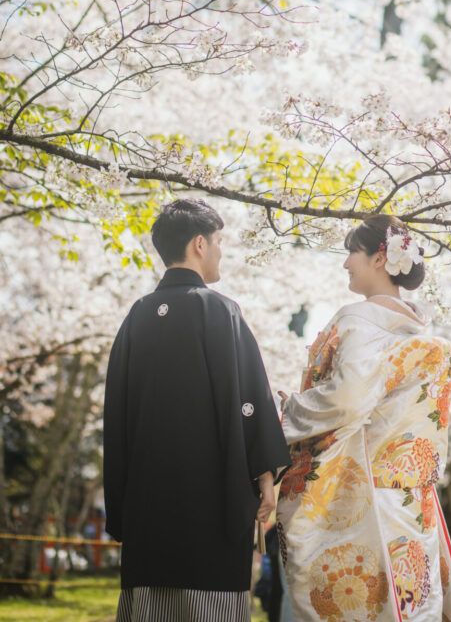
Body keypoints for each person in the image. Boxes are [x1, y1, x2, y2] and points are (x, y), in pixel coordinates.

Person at [276, 215, 451, 622]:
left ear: (380, 259)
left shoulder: (358, 320)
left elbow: (346, 400)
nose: (346, 262)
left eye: (352, 252)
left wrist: (292, 410)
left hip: (365, 493)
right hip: (410, 492)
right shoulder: (421, 334)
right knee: (410, 601)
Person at [104, 198, 290, 622]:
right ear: (200, 244)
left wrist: (121, 508)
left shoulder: (136, 318)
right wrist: (264, 475)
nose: (222, 251)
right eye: (219, 241)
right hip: (210, 507)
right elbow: (250, 399)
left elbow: (115, 419)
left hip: (147, 510)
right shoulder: (218, 311)